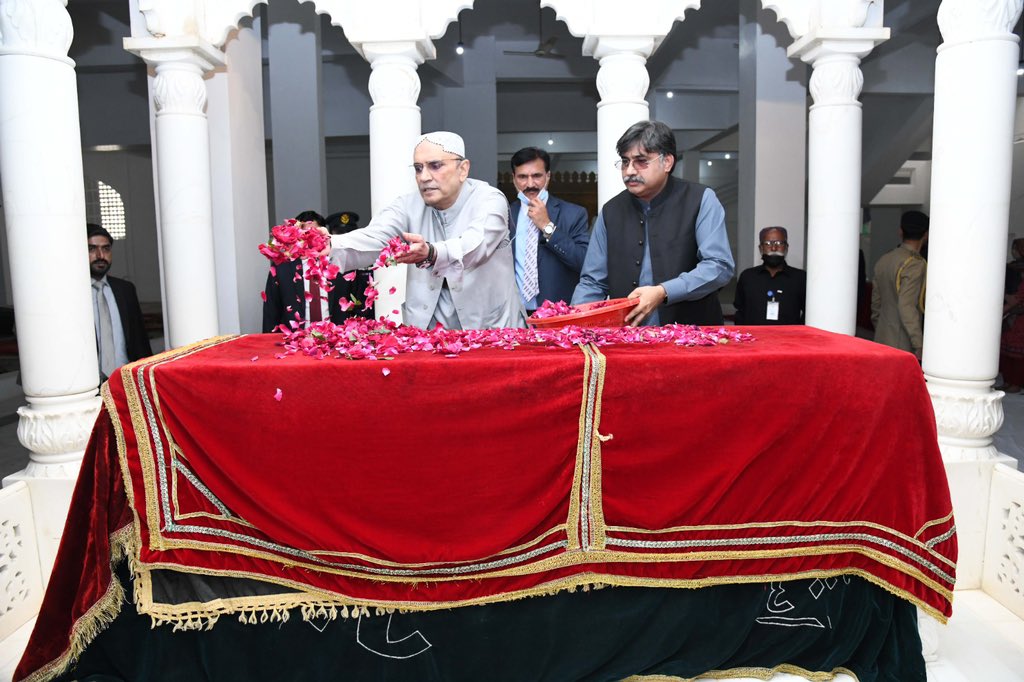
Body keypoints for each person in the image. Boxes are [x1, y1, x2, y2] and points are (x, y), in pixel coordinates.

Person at [326, 131, 524, 330]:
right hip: (429, 330)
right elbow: (376, 237)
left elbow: (476, 244)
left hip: (491, 326)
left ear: (463, 169)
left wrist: (431, 253)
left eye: (435, 166)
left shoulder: (489, 199)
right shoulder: (407, 205)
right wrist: (329, 244)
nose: (424, 177)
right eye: (418, 168)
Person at [572, 120, 734, 326]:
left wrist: (663, 292)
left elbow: (718, 266)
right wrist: (573, 325)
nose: (629, 171)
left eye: (641, 161)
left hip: (692, 338)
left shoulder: (700, 199)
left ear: (667, 162)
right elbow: (592, 282)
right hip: (628, 340)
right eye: (625, 161)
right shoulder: (611, 211)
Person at [508, 147, 590, 313]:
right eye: (523, 177)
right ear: (514, 179)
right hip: (514, 314)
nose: (530, 184)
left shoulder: (574, 214)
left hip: (557, 314)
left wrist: (547, 227)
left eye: (537, 176)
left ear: (548, 176)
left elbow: (583, 262)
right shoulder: (504, 215)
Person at [262, 211, 359, 332]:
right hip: (294, 341)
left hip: (337, 339)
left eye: (315, 233)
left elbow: (357, 304)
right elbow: (271, 310)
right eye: (304, 233)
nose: (309, 238)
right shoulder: (282, 268)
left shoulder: (341, 263)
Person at [87, 223, 151, 381]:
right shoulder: (71, 294)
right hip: (85, 386)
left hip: (125, 382)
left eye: (106, 249)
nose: (100, 255)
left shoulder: (125, 290)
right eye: (92, 249)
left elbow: (139, 341)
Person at [871, 210, 929, 359]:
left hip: (881, 338)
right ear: (926, 234)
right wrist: (919, 343)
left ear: (900, 232)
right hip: (902, 342)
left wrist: (882, 328)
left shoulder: (884, 259)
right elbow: (907, 306)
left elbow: (876, 305)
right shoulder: (915, 264)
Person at [733, 226, 806, 325]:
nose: (774, 248)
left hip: (789, 339)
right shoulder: (747, 277)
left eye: (779, 243)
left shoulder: (800, 278)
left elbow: (808, 313)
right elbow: (740, 311)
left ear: (786, 247)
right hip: (753, 338)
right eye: (768, 244)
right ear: (761, 248)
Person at [998, 238, 1024, 392]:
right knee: (1007, 349)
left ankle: (1016, 383)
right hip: (1013, 317)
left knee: (1017, 353)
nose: (1014, 251)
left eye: (1016, 248)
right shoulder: (1012, 268)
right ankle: (1009, 381)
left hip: (1019, 317)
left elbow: (1018, 298)